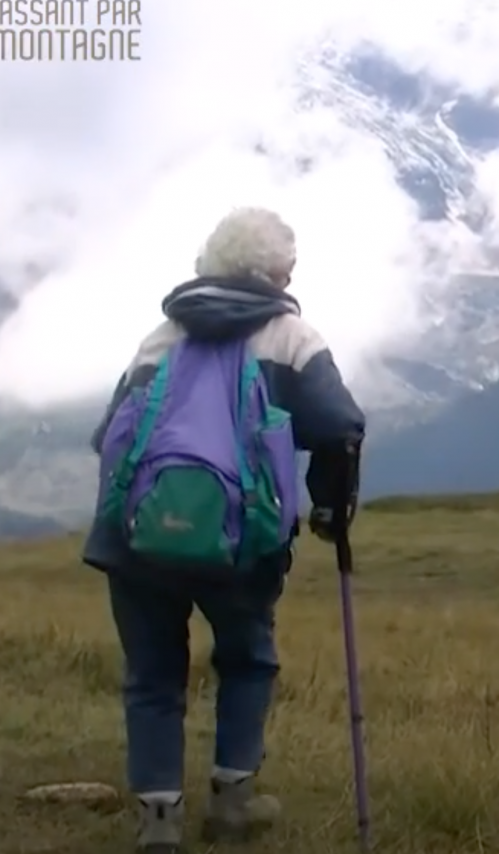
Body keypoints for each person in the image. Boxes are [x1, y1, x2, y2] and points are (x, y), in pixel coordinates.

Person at [82, 208, 367, 853]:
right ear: (270, 272)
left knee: (153, 674)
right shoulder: (291, 338)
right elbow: (341, 429)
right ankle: (233, 804)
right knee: (246, 661)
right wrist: (329, 509)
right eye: (289, 264)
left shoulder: (162, 337)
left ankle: (158, 821)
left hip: (141, 538)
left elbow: (110, 437)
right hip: (242, 541)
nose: (293, 274)